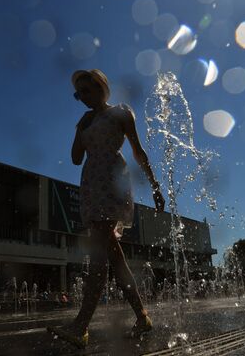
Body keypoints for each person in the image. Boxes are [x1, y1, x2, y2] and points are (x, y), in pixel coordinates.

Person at [47, 69, 165, 349]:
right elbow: (76, 158)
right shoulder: (85, 120)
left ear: (101, 87)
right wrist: (80, 128)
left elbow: (137, 150)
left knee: (99, 253)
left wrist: (155, 185)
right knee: (115, 258)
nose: (83, 98)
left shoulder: (121, 112)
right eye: (79, 95)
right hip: (90, 183)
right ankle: (142, 317)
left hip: (112, 182)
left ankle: (81, 326)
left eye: (87, 91)